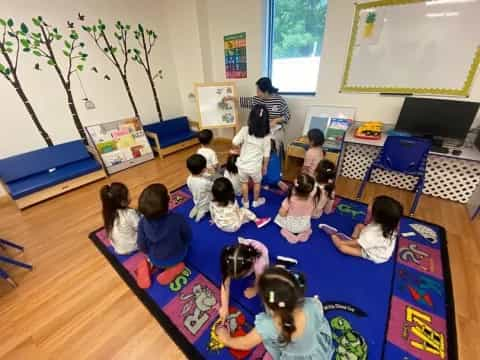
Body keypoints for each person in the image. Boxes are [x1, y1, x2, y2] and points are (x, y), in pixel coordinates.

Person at [216, 267, 334, 360]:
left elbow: (245, 344)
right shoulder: (312, 304)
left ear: (268, 304)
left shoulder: (269, 325)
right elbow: (318, 312)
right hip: (318, 354)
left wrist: (226, 339)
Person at [136, 183, 192, 288]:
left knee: (151, 255)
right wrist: (186, 244)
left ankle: (150, 264)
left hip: (156, 258)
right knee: (180, 251)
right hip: (179, 255)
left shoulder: (142, 223)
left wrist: (149, 254)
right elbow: (187, 236)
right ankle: (175, 267)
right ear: (168, 202)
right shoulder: (177, 219)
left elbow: (141, 245)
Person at [225, 77, 290, 160]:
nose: (257, 93)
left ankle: (270, 161)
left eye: (259, 91)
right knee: (249, 138)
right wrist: (231, 98)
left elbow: (287, 115)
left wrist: (276, 120)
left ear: (266, 91)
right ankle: (252, 158)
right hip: (259, 127)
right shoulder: (257, 99)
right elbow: (244, 101)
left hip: (276, 129)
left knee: (271, 143)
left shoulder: (279, 100)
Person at [330, 195, 403, 264]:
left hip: (375, 254)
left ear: (377, 215)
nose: (369, 204)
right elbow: (367, 223)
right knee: (359, 226)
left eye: (372, 204)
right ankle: (354, 241)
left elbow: (359, 241)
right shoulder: (389, 223)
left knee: (342, 247)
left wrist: (341, 241)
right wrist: (369, 215)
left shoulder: (371, 234)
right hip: (374, 242)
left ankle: (350, 243)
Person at [218, 238, 269, 321]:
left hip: (260, 252)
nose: (234, 278)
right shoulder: (229, 260)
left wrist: (255, 289)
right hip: (245, 249)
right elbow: (225, 284)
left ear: (252, 265)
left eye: (240, 276)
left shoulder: (260, 265)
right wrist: (224, 307)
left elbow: (261, 281)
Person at [232, 104, 271, 209]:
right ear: (266, 121)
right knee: (257, 183)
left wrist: (240, 148)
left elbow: (234, 141)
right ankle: (256, 201)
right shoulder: (267, 136)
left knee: (244, 183)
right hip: (255, 167)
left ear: (251, 118)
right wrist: (265, 167)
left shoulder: (245, 129)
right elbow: (266, 155)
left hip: (242, 165)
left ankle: (245, 203)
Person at [275, 174, 319, 243]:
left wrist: (286, 213)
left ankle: (287, 233)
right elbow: (312, 212)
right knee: (307, 227)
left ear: (295, 188)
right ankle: (305, 232)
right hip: (304, 224)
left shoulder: (290, 199)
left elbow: (282, 213)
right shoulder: (313, 199)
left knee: (280, 221)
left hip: (290, 225)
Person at [100, 182, 140, 255]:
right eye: (128, 194)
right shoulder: (129, 213)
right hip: (133, 246)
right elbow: (141, 228)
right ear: (122, 202)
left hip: (118, 249)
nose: (130, 196)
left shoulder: (107, 214)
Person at [186, 154, 213, 222]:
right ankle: (201, 213)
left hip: (196, 199)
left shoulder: (189, 178)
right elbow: (213, 187)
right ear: (204, 169)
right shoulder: (204, 182)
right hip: (206, 203)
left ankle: (196, 209)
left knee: (198, 204)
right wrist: (212, 174)